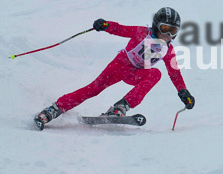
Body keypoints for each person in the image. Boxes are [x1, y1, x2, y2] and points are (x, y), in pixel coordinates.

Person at [34, 7, 195, 130]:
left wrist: (183, 91)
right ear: (156, 25)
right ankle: (53, 110)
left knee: (155, 73)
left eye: (173, 31)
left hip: (137, 73)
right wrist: (105, 25)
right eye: (165, 29)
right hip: (120, 66)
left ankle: (120, 107)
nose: (169, 35)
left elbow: (174, 73)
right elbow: (121, 29)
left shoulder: (168, 50)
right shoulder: (142, 33)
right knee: (93, 89)